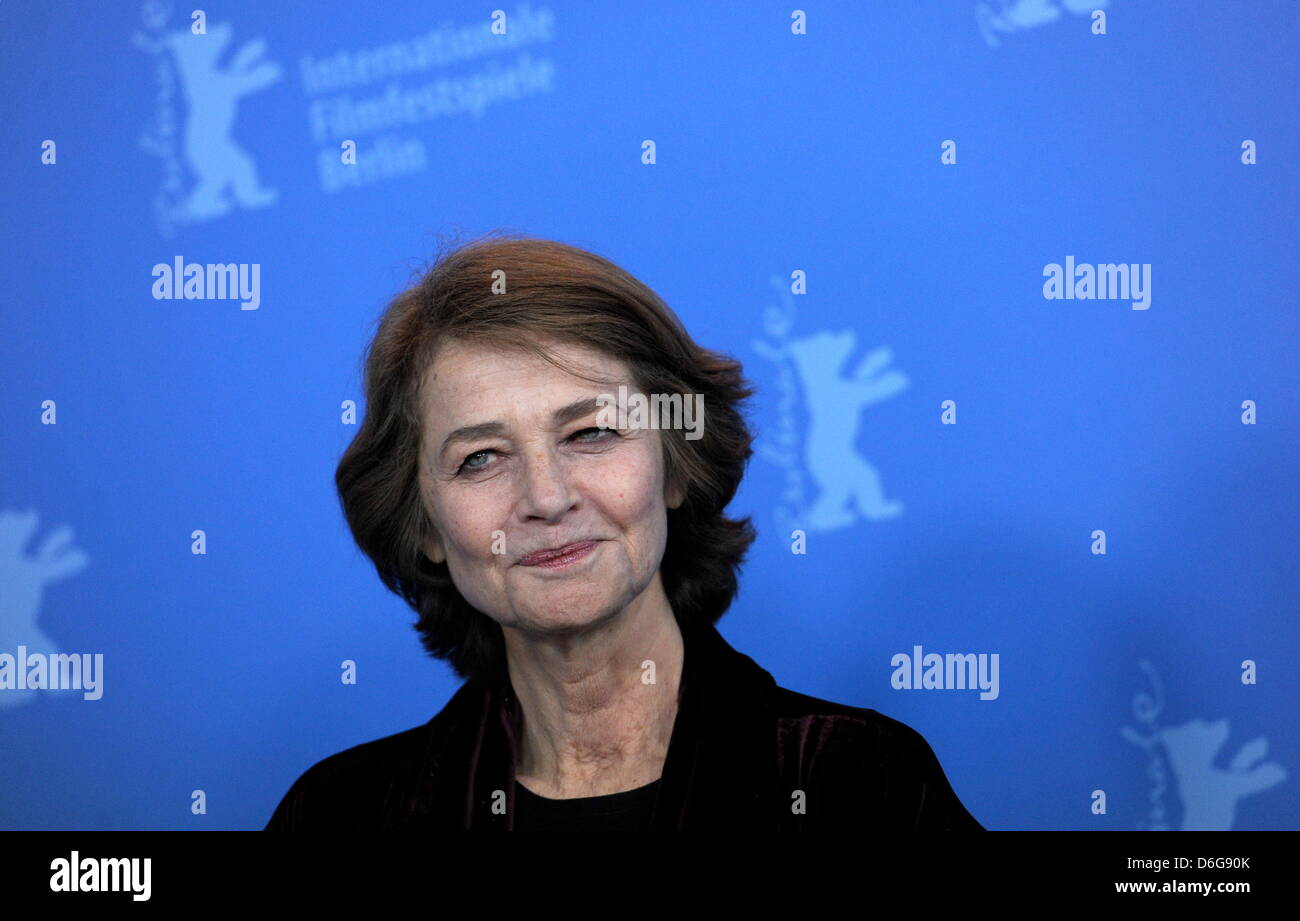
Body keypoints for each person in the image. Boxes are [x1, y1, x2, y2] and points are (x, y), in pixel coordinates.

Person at [265, 233, 984, 831]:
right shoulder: (340, 818)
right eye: (480, 457)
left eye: (591, 432)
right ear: (423, 523)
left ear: (675, 468)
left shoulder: (859, 787)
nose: (546, 497)